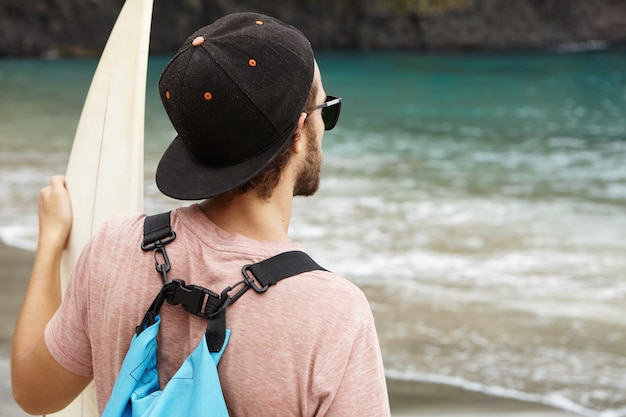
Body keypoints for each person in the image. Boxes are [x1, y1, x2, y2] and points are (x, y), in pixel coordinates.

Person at [11, 12, 390, 416]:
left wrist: (51, 243)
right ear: (298, 132)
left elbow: (33, 393)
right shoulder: (332, 315)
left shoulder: (113, 250)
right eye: (325, 111)